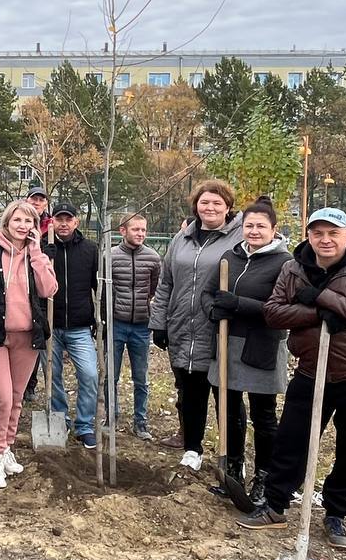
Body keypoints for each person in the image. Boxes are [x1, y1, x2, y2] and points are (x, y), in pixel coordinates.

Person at [238, 208, 346, 550]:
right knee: (292, 441)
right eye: (318, 232)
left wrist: (324, 298)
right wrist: (317, 313)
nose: (325, 239)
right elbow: (274, 312)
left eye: (333, 233)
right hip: (310, 369)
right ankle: (275, 506)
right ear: (308, 236)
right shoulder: (294, 270)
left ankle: (336, 511)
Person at [200, 197, 292, 504]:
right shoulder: (230, 257)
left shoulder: (284, 263)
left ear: (273, 229)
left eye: (261, 226)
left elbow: (283, 310)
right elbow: (209, 293)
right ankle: (233, 472)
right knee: (228, 410)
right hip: (227, 344)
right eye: (249, 225)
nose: (254, 231)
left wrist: (239, 305)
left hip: (261, 347)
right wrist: (213, 310)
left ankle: (264, 477)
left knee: (263, 415)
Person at [149, 180, 243, 472]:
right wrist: (159, 322)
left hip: (219, 330)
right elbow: (166, 282)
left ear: (228, 207)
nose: (210, 208)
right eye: (205, 202)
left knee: (227, 396)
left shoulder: (239, 238)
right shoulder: (183, 238)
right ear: (196, 206)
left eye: (217, 203)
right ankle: (192, 448)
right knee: (190, 393)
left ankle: (233, 458)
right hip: (182, 328)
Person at [0, 200, 58, 489]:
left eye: (29, 221)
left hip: (27, 336)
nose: (23, 226)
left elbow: (49, 289)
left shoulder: (37, 255)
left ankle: (6, 448)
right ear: (7, 222)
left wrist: (36, 252)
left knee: (17, 397)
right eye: (17, 220)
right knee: (2, 397)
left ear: (34, 227)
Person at [46, 203, 101, 449]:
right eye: (60, 219)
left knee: (89, 374)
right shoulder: (43, 250)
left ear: (76, 222)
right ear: (52, 222)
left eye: (69, 219)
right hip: (51, 326)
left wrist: (99, 318)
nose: (64, 223)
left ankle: (85, 425)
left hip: (79, 326)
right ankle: (59, 421)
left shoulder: (90, 250)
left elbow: (97, 286)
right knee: (52, 376)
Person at [106, 212, 162, 441]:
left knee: (141, 377)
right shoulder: (110, 257)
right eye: (136, 229)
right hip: (117, 324)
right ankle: (111, 416)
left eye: (143, 230)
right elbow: (105, 293)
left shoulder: (153, 258)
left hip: (141, 325)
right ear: (123, 231)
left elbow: (154, 289)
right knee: (112, 375)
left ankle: (141, 421)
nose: (140, 234)